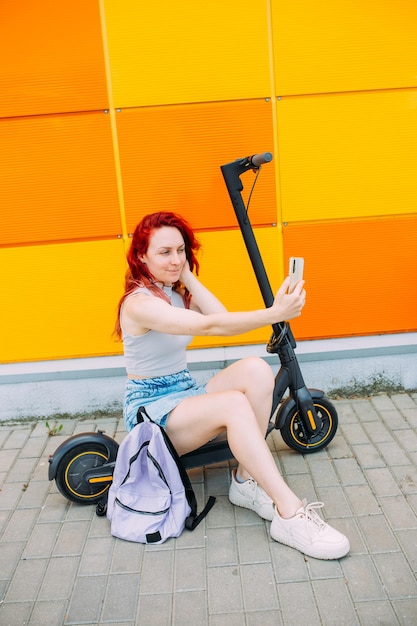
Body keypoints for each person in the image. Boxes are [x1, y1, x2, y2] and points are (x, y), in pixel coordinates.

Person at [114, 211, 350, 560]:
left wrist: (187, 277)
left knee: (255, 369)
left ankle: (244, 482)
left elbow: (217, 313)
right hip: (152, 414)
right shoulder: (140, 304)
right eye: (164, 252)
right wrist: (274, 313)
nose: (175, 259)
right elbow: (213, 328)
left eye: (181, 250)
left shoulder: (173, 293)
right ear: (141, 255)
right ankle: (289, 513)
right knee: (233, 404)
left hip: (183, 391)